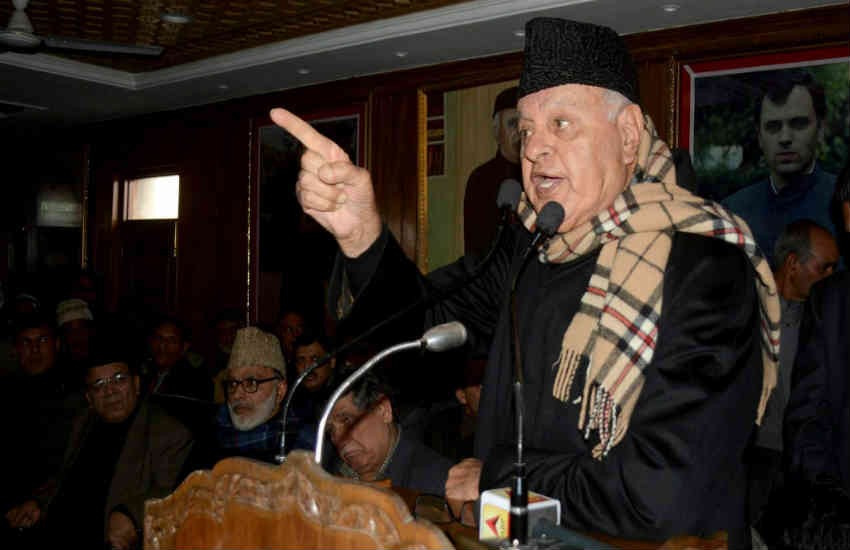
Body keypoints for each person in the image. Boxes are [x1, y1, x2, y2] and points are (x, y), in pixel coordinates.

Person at [272, 16, 782, 545]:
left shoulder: (705, 266)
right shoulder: (529, 247)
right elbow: (418, 338)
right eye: (526, 130)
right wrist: (363, 237)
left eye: (561, 123)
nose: (534, 148)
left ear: (629, 135)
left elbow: (659, 496)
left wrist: (501, 475)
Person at [3, 348, 194, 549]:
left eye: (119, 379)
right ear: (89, 398)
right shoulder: (83, 422)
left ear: (136, 384)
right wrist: (38, 502)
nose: (110, 392)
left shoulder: (167, 431)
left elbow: (176, 492)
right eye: (99, 385)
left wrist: (131, 514)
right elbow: (64, 477)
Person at [748, 220, 838, 536]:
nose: (831, 277)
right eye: (824, 268)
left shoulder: (823, 320)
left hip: (795, 462)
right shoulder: (746, 306)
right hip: (751, 456)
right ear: (792, 264)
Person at [722, 72, 838, 268]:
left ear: (820, 130)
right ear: (759, 137)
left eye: (798, 124)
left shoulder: (842, 204)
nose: (785, 138)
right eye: (773, 127)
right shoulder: (734, 212)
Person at [0, 313, 87, 514]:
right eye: (26, 342)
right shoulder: (7, 393)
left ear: (57, 344)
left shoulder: (77, 392)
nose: (35, 349)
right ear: (16, 349)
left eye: (42, 340)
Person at [327, 369, 453, 496]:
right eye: (330, 429)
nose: (337, 438)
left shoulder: (437, 482)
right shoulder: (330, 472)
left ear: (384, 411)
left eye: (346, 420)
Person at [463, 86, 522, 257]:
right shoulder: (481, 179)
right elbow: (476, 248)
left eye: (525, 124)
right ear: (497, 131)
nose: (519, 132)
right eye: (512, 123)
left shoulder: (543, 175)